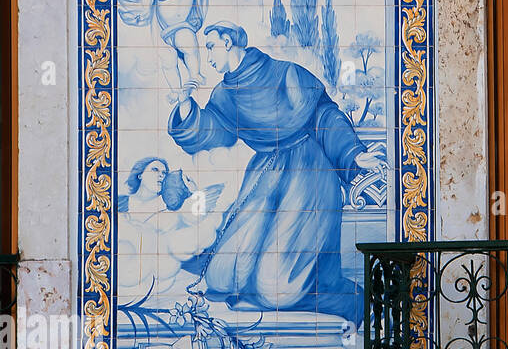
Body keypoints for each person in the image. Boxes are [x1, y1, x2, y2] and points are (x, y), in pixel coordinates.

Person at [168, 22, 382, 324]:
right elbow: (213, 131)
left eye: (211, 47)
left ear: (229, 42)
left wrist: (353, 153)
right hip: (265, 174)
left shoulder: (284, 73)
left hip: (308, 173)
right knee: (221, 275)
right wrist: (185, 107)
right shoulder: (223, 94)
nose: (209, 57)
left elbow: (324, 114)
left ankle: (355, 302)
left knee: (276, 288)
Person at [117, 156, 223, 309]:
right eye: (155, 169)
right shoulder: (119, 203)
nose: (161, 175)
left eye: (164, 173)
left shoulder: (170, 214)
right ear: (139, 174)